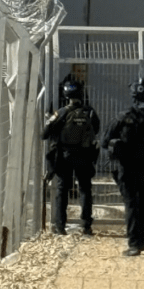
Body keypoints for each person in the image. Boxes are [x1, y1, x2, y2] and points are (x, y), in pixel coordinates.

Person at [102, 79, 144, 257]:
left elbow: (105, 141)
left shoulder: (123, 116)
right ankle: (143, 237)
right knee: (143, 202)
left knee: (131, 204)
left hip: (126, 167)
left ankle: (134, 243)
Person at [41, 81, 100, 236]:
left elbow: (44, 134)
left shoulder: (61, 112)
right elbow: (96, 129)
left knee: (62, 189)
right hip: (84, 155)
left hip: (64, 155)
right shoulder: (90, 112)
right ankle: (86, 226)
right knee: (85, 189)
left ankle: (60, 226)